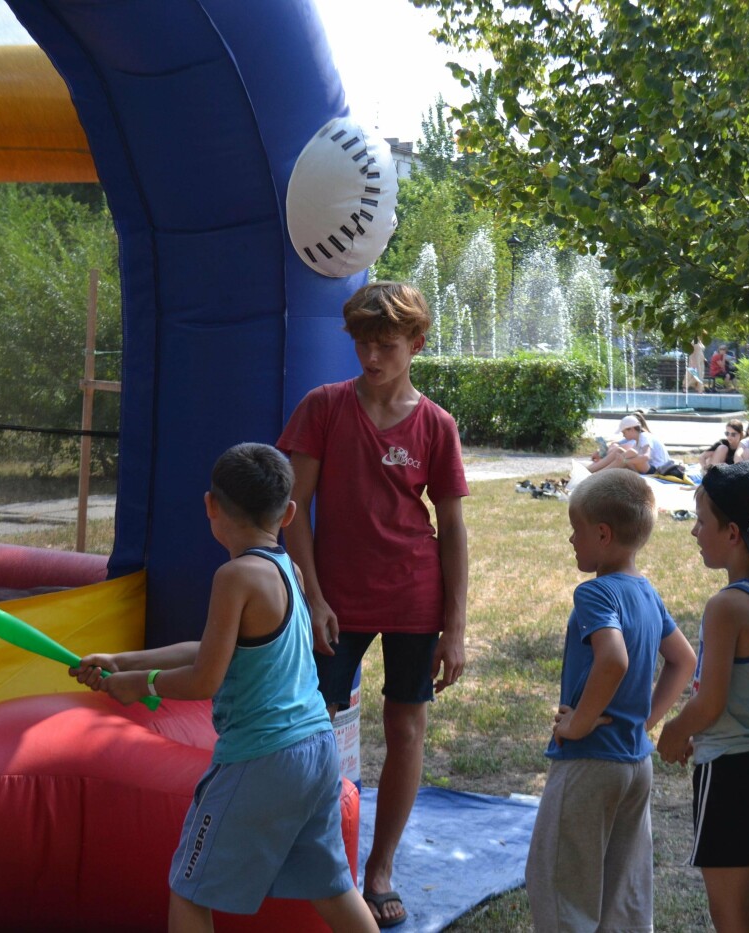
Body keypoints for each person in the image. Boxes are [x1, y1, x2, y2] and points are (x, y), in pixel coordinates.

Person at [70, 444, 378, 933]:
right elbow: (212, 649)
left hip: (262, 759)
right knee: (334, 888)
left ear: (211, 506)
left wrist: (139, 685)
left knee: (190, 889)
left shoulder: (234, 577)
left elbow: (205, 678)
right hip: (317, 749)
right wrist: (122, 661)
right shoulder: (288, 572)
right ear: (289, 513)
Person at [278, 281, 470, 928]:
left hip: (415, 595)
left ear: (416, 344)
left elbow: (452, 528)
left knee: (405, 727)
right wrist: (313, 594)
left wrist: (456, 627)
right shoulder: (324, 407)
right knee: (311, 726)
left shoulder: (436, 423)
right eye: (361, 343)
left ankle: (379, 869)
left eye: (385, 344)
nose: (371, 356)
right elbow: (291, 510)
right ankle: (318, 856)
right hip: (336, 597)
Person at [525, 469, 696, 932]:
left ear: (602, 534)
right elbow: (684, 660)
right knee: (623, 902)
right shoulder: (646, 592)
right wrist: (644, 724)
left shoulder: (595, 592)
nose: (570, 539)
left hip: (587, 763)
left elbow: (613, 660)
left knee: (564, 894)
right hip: (634, 765)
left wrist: (578, 723)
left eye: (576, 529)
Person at [657, 461, 749, 933]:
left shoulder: (728, 606)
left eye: (701, 521)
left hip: (728, 774)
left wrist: (675, 731)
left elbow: (710, 701)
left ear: (733, 532)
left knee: (730, 915)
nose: (695, 531)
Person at [588, 411, 673, 475]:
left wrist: (625, 460)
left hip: (656, 469)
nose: (624, 436)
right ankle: (592, 471)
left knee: (629, 453)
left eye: (624, 433)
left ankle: (595, 474)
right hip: (650, 468)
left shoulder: (644, 437)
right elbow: (617, 444)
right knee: (621, 451)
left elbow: (646, 457)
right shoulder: (637, 439)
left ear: (631, 429)